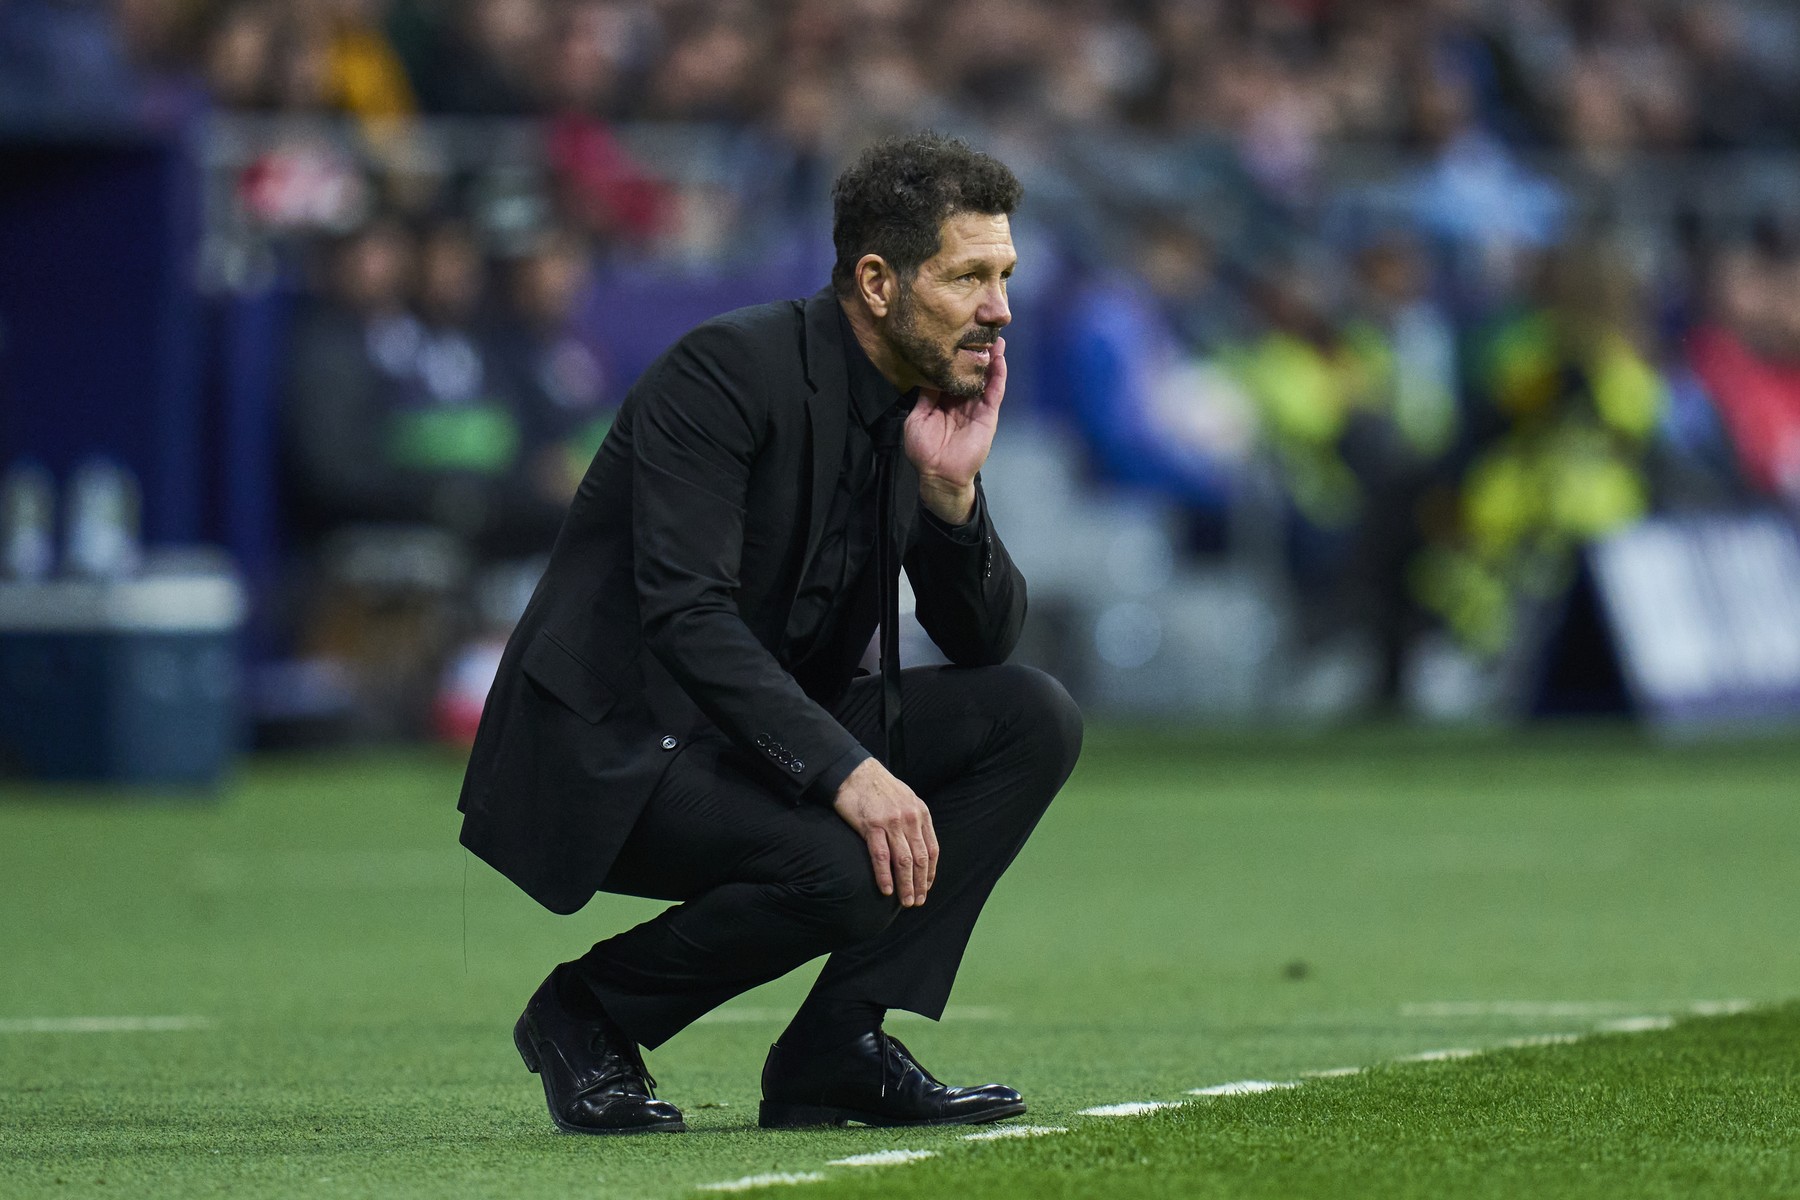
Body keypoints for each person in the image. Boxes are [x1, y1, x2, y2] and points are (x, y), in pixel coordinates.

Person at [458, 132, 1083, 1135]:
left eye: (1004, 276)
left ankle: (836, 1048)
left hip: (756, 739)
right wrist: (848, 772)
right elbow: (686, 616)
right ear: (877, 282)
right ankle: (588, 1012)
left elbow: (983, 644)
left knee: (1031, 718)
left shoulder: (918, 411)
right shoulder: (724, 373)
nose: (998, 309)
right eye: (969, 277)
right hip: (619, 743)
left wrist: (952, 495)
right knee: (844, 866)